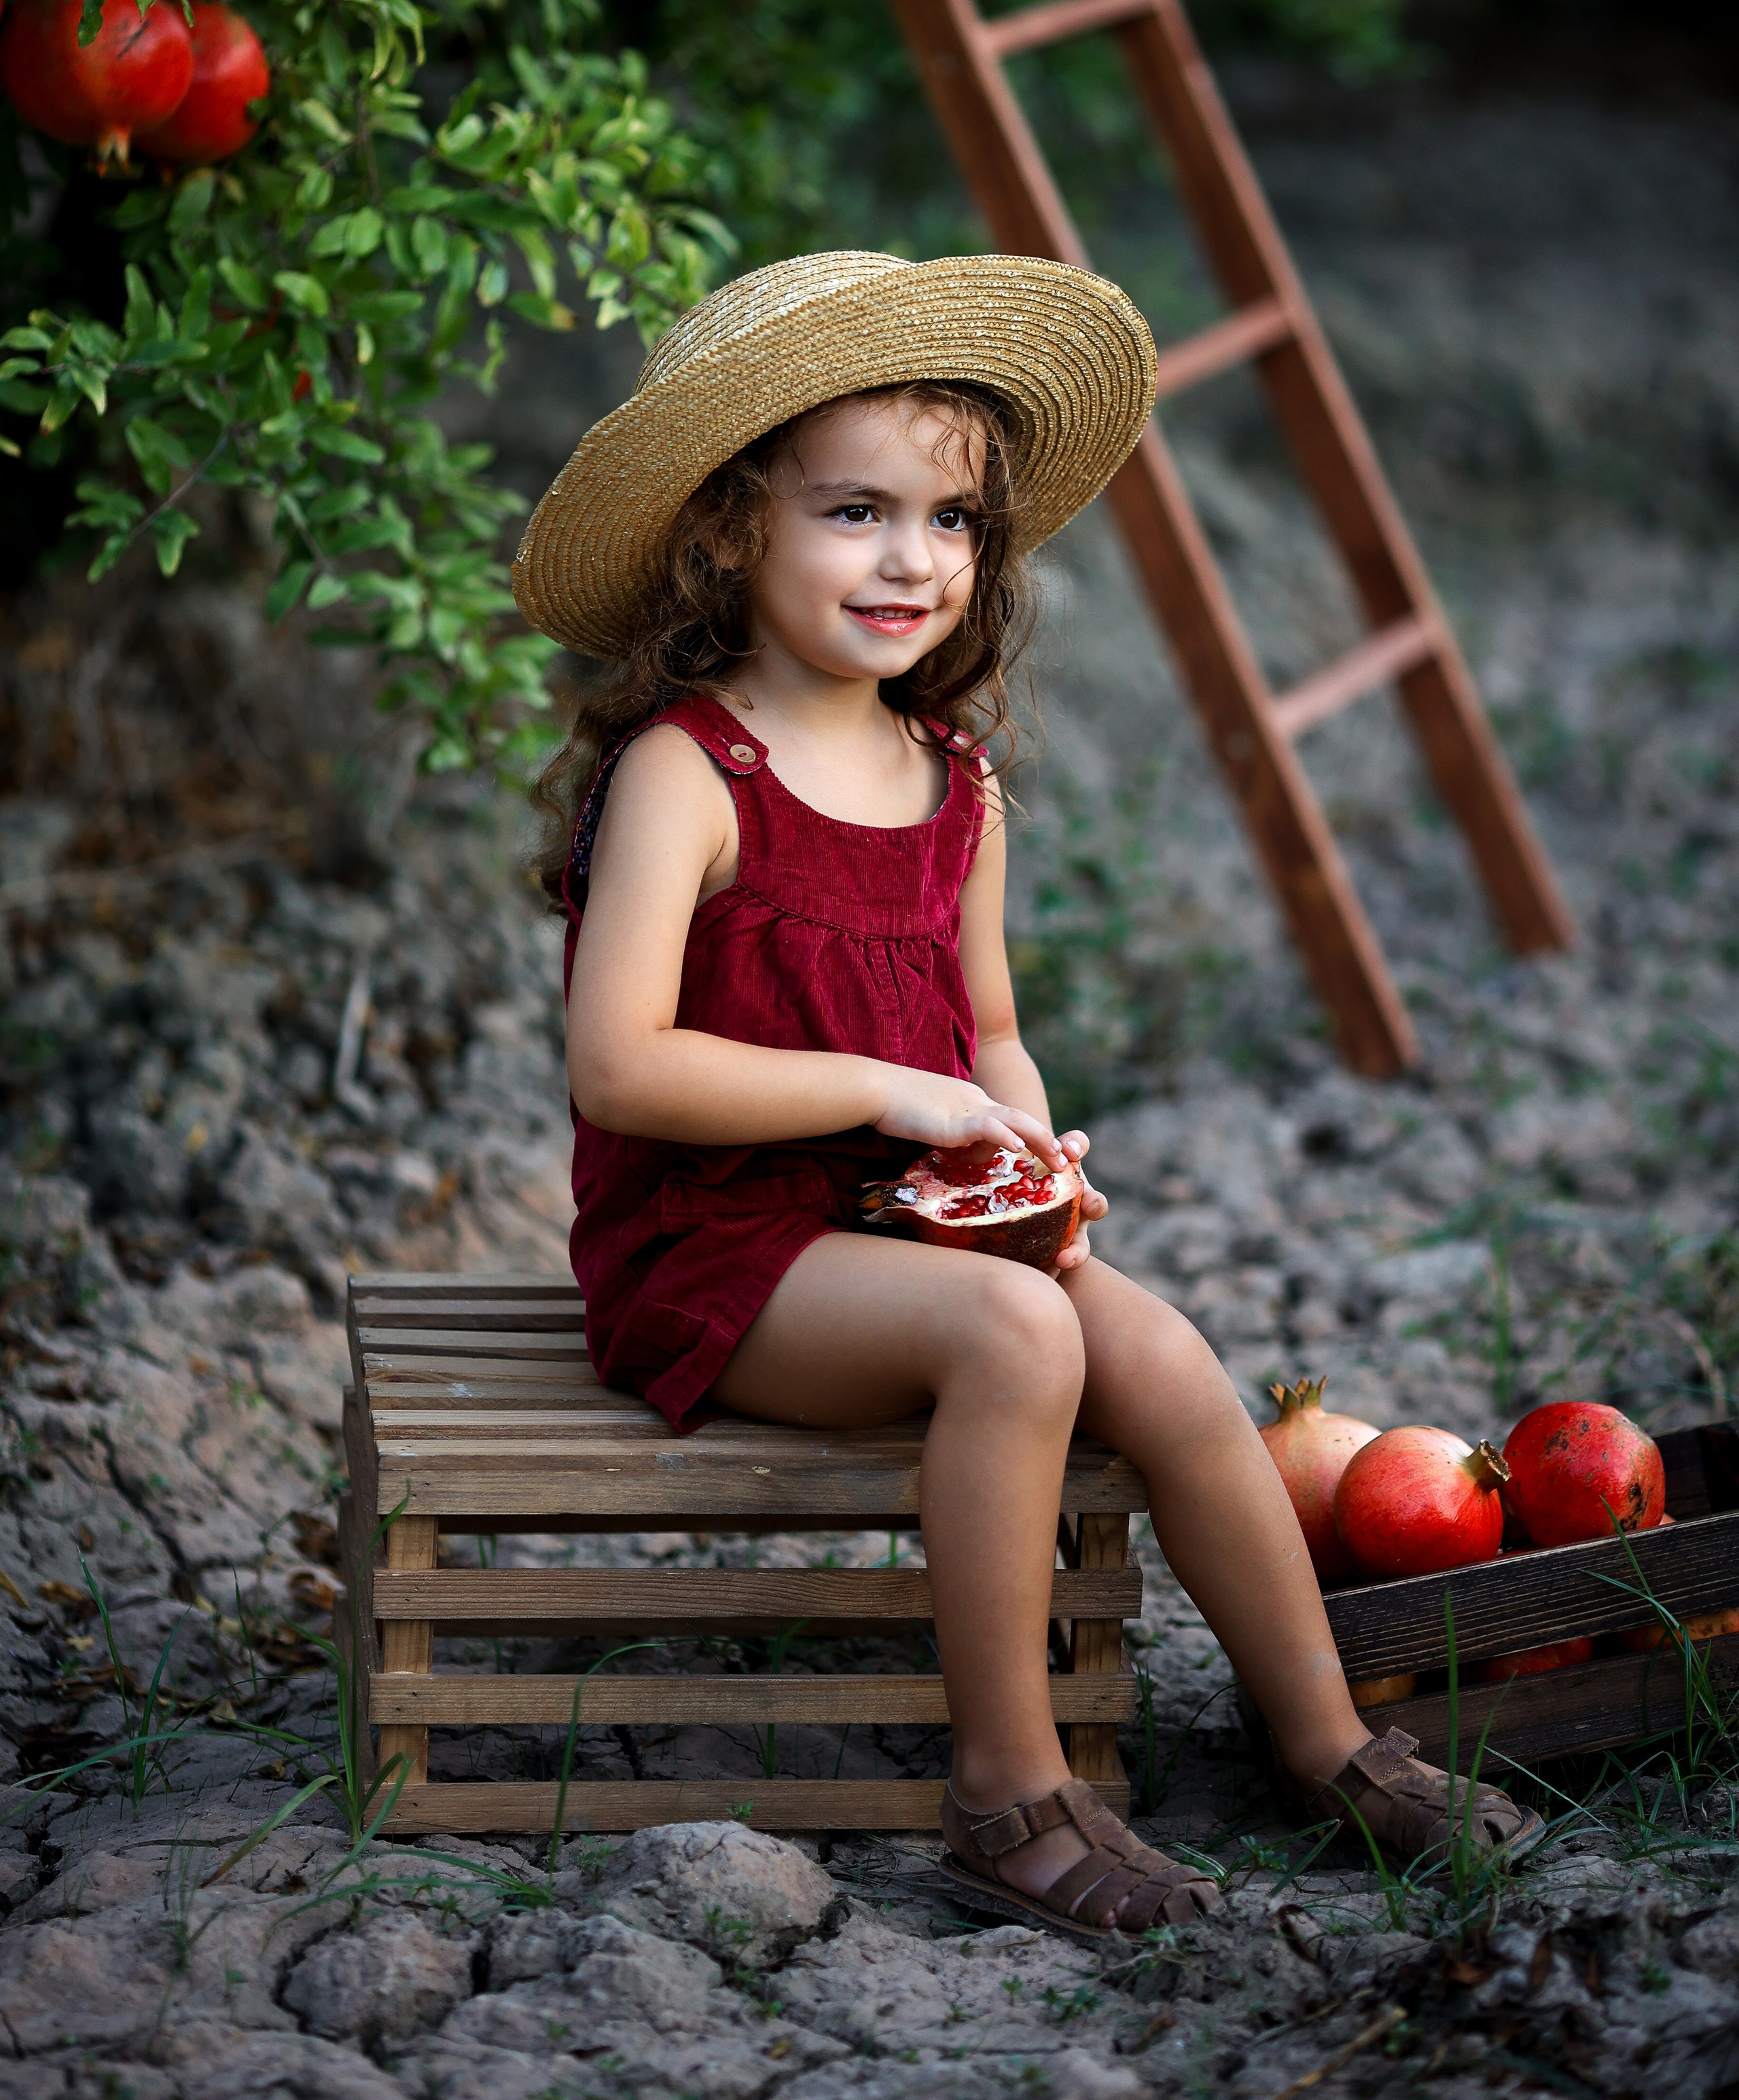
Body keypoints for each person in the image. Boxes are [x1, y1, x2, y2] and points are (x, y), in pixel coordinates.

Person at [514, 250, 1541, 1940]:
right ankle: (1002, 1790)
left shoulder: (953, 782)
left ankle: (1326, 1740)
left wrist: (1017, 1140)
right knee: (1018, 1341)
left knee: (1157, 1351)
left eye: (951, 521)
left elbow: (983, 1029)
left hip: (891, 1223)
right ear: (727, 529)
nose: (911, 559)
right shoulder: (688, 775)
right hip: (716, 1255)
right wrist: (888, 1098)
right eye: (854, 511)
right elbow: (619, 1065)